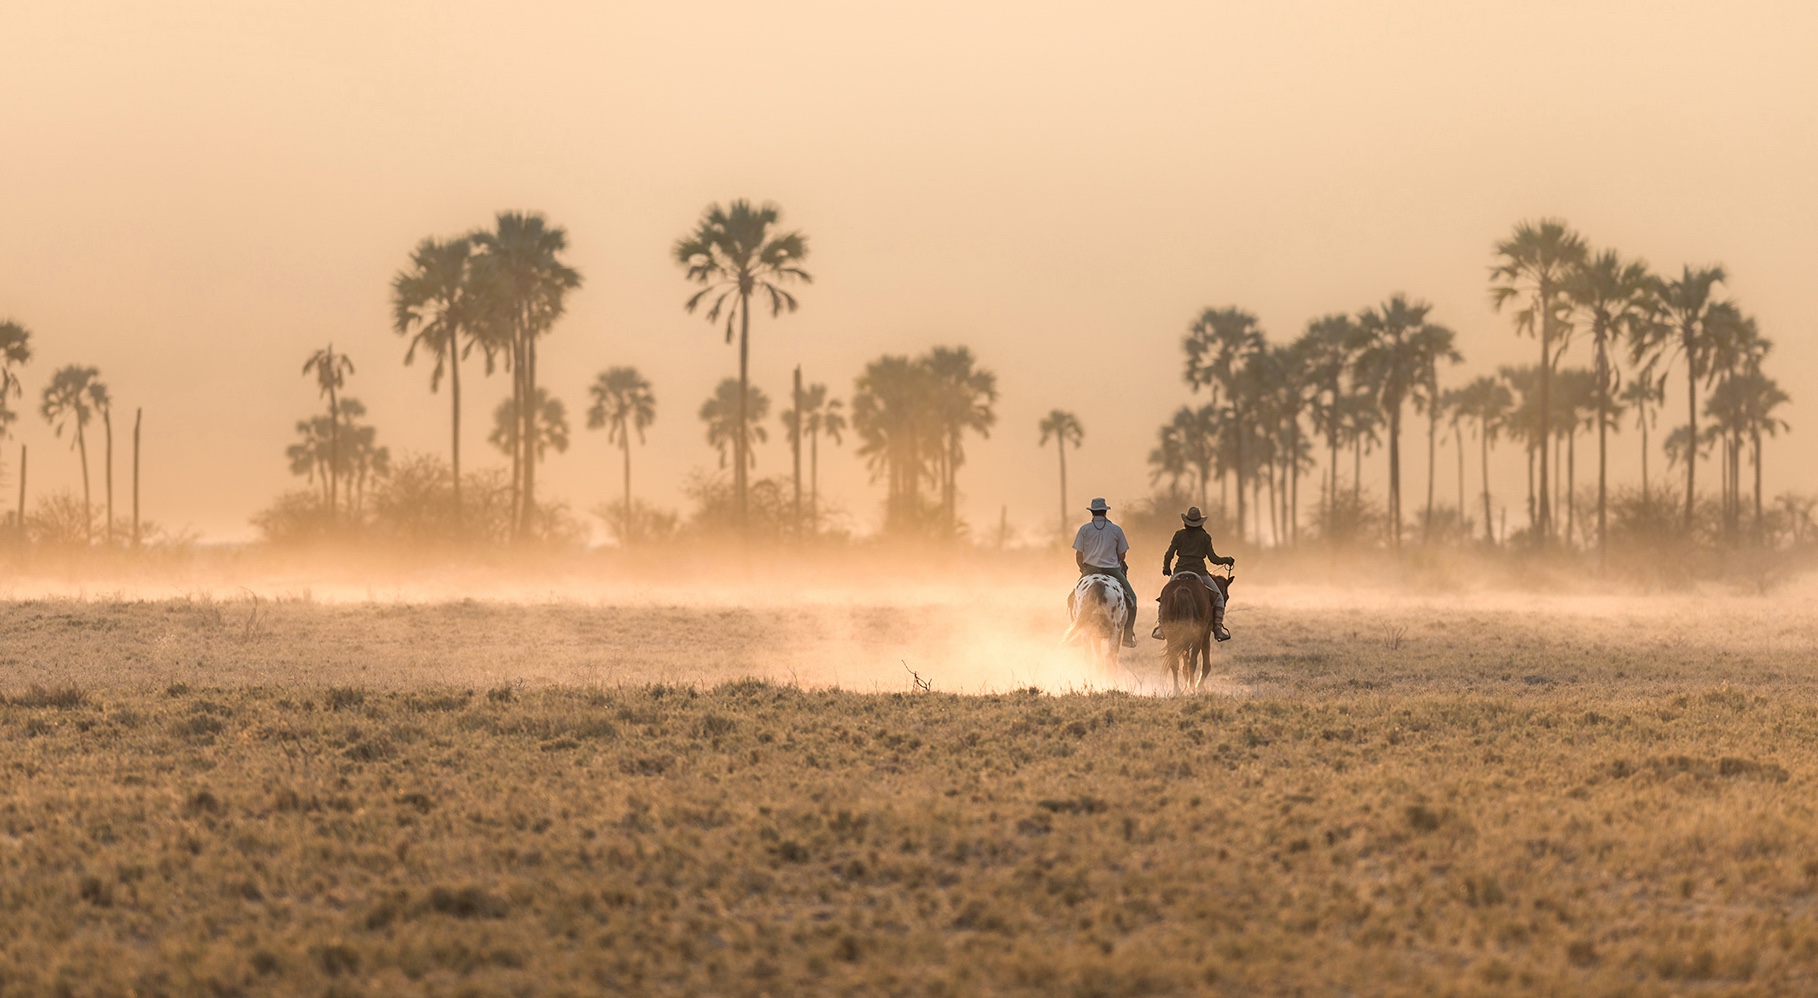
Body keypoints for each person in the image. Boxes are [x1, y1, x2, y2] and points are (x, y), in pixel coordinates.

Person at [1154, 505, 1234, 642]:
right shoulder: (1205, 537)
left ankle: (1161, 627)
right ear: (1200, 523)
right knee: (1219, 598)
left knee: (1164, 597)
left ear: (1186, 521)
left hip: (1180, 571)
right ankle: (1218, 628)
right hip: (1200, 573)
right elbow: (1213, 559)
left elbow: (1169, 554)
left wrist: (1166, 567)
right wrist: (1227, 560)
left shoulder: (1179, 535)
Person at [1072, 497, 1139, 648]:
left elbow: (1078, 555)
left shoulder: (1084, 529)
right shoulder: (1116, 529)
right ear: (1105, 512)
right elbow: (1122, 556)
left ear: (1092, 513)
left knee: (1071, 599)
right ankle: (1128, 635)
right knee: (1133, 599)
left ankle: (1075, 636)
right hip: (1112, 571)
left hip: (1089, 569)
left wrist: (1083, 568)